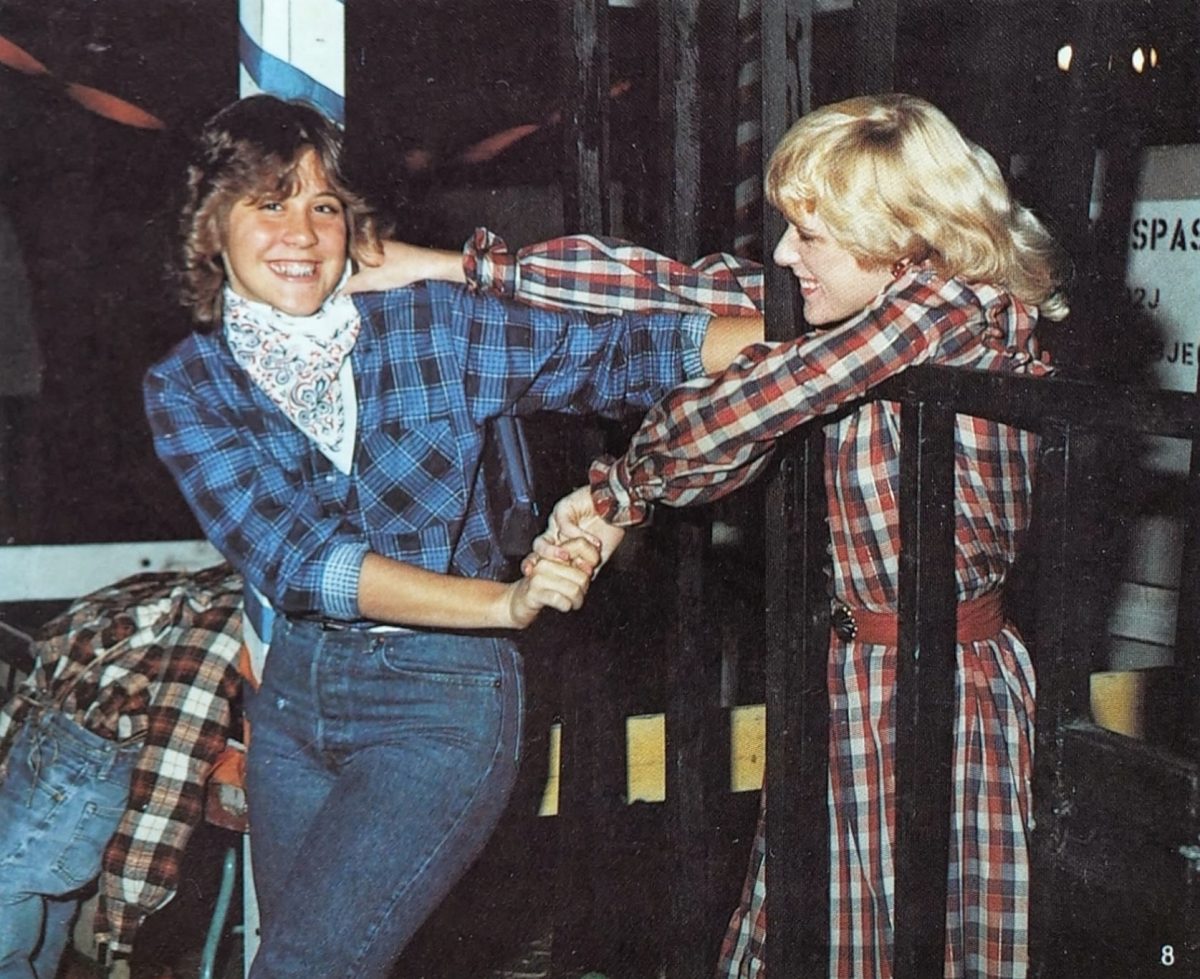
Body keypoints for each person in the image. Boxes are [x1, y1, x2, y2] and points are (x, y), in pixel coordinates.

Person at [142, 94, 762, 979]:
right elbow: (300, 563)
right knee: (304, 956)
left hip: (442, 698)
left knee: (300, 968)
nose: (302, 231)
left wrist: (811, 333)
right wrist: (505, 598)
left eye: (324, 205)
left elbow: (632, 352)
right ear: (213, 226)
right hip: (296, 699)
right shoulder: (190, 386)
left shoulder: (431, 323)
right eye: (268, 202)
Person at [529, 93, 1068, 978]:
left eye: (808, 235)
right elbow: (677, 286)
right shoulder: (880, 321)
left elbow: (744, 406)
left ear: (900, 234)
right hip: (859, 675)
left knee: (919, 938)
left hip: (938, 688)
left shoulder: (951, 309)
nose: (784, 253)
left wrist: (617, 494)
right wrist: (472, 271)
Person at [0, 564, 243, 979]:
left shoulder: (227, 618)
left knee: (11, 885)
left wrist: (123, 919)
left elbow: (173, 768)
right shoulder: (222, 583)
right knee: (39, 894)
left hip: (90, 763)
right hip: (65, 744)